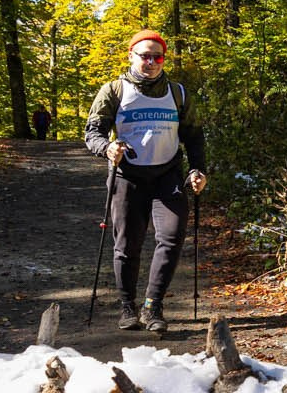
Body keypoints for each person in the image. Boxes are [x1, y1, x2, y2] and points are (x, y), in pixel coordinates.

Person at [83, 31, 209, 334]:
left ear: (163, 59)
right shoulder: (114, 90)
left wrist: (198, 170)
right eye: (145, 56)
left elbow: (194, 136)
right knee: (127, 245)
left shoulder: (178, 93)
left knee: (172, 237)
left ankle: (153, 305)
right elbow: (93, 132)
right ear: (131, 56)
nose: (151, 62)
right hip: (127, 176)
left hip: (168, 175)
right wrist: (107, 147)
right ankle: (127, 306)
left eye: (157, 56)